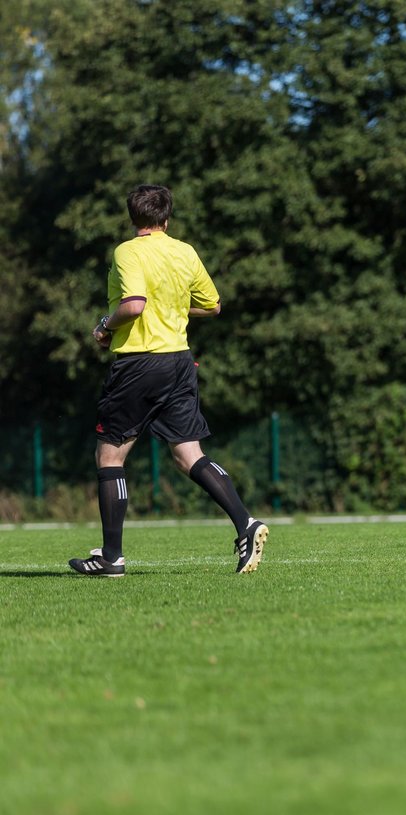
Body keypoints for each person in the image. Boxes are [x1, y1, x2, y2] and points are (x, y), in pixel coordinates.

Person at [68, 184, 268, 577]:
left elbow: (133, 305)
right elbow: (213, 305)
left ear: (132, 217)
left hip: (139, 362)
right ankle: (246, 524)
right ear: (166, 218)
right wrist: (174, 308)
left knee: (110, 456)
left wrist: (104, 325)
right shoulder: (184, 251)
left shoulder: (128, 251)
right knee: (188, 454)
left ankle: (111, 557)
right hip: (178, 361)